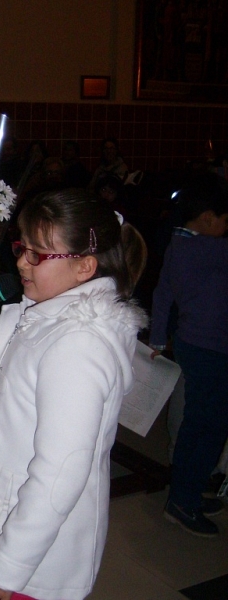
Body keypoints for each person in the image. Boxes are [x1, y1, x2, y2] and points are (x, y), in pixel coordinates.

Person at [0, 188, 148, 600]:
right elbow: (19, 406)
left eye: (37, 254)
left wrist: (8, 568)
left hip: (36, 557)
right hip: (13, 522)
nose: (21, 261)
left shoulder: (77, 345)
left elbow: (61, 473)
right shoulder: (47, 317)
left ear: (85, 267)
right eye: (22, 247)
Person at [148, 172, 228, 538]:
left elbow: (163, 295)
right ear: (209, 218)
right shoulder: (214, 249)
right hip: (213, 347)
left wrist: (159, 339)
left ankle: (185, 492)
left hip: (191, 344)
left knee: (196, 424)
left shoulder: (178, 244)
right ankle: (184, 500)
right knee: (209, 427)